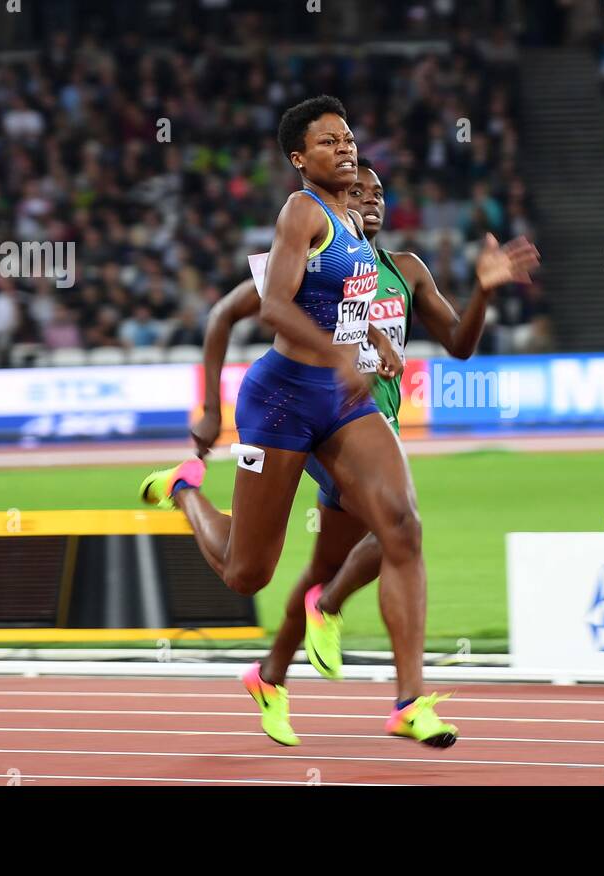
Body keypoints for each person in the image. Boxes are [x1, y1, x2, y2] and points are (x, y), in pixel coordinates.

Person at [137, 96, 463, 747]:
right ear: (298, 159)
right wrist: (219, 404)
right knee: (246, 571)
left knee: (401, 524)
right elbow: (276, 308)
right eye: (328, 142)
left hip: (343, 401)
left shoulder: (352, 221)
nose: (344, 148)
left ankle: (408, 702)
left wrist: (378, 340)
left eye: (347, 138)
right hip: (282, 399)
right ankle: (184, 490)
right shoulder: (302, 213)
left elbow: (346, 299)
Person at [189, 158, 539, 745]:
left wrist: (481, 290)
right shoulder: (309, 263)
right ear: (338, 198)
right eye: (357, 189)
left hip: (366, 429)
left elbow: (459, 344)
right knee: (304, 556)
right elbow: (234, 312)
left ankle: (278, 670)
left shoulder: (404, 271)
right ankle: (195, 498)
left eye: (378, 192)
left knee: (352, 552)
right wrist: (209, 407)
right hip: (310, 419)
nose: (369, 198)